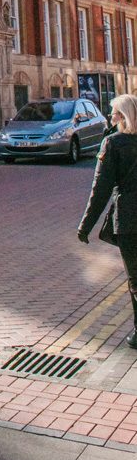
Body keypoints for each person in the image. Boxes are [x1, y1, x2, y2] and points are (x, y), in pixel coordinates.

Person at [78, 94, 137, 350]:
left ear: (123, 117)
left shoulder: (112, 143)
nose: (110, 117)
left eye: (113, 113)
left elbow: (100, 189)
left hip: (129, 220)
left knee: (136, 278)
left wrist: (86, 224)